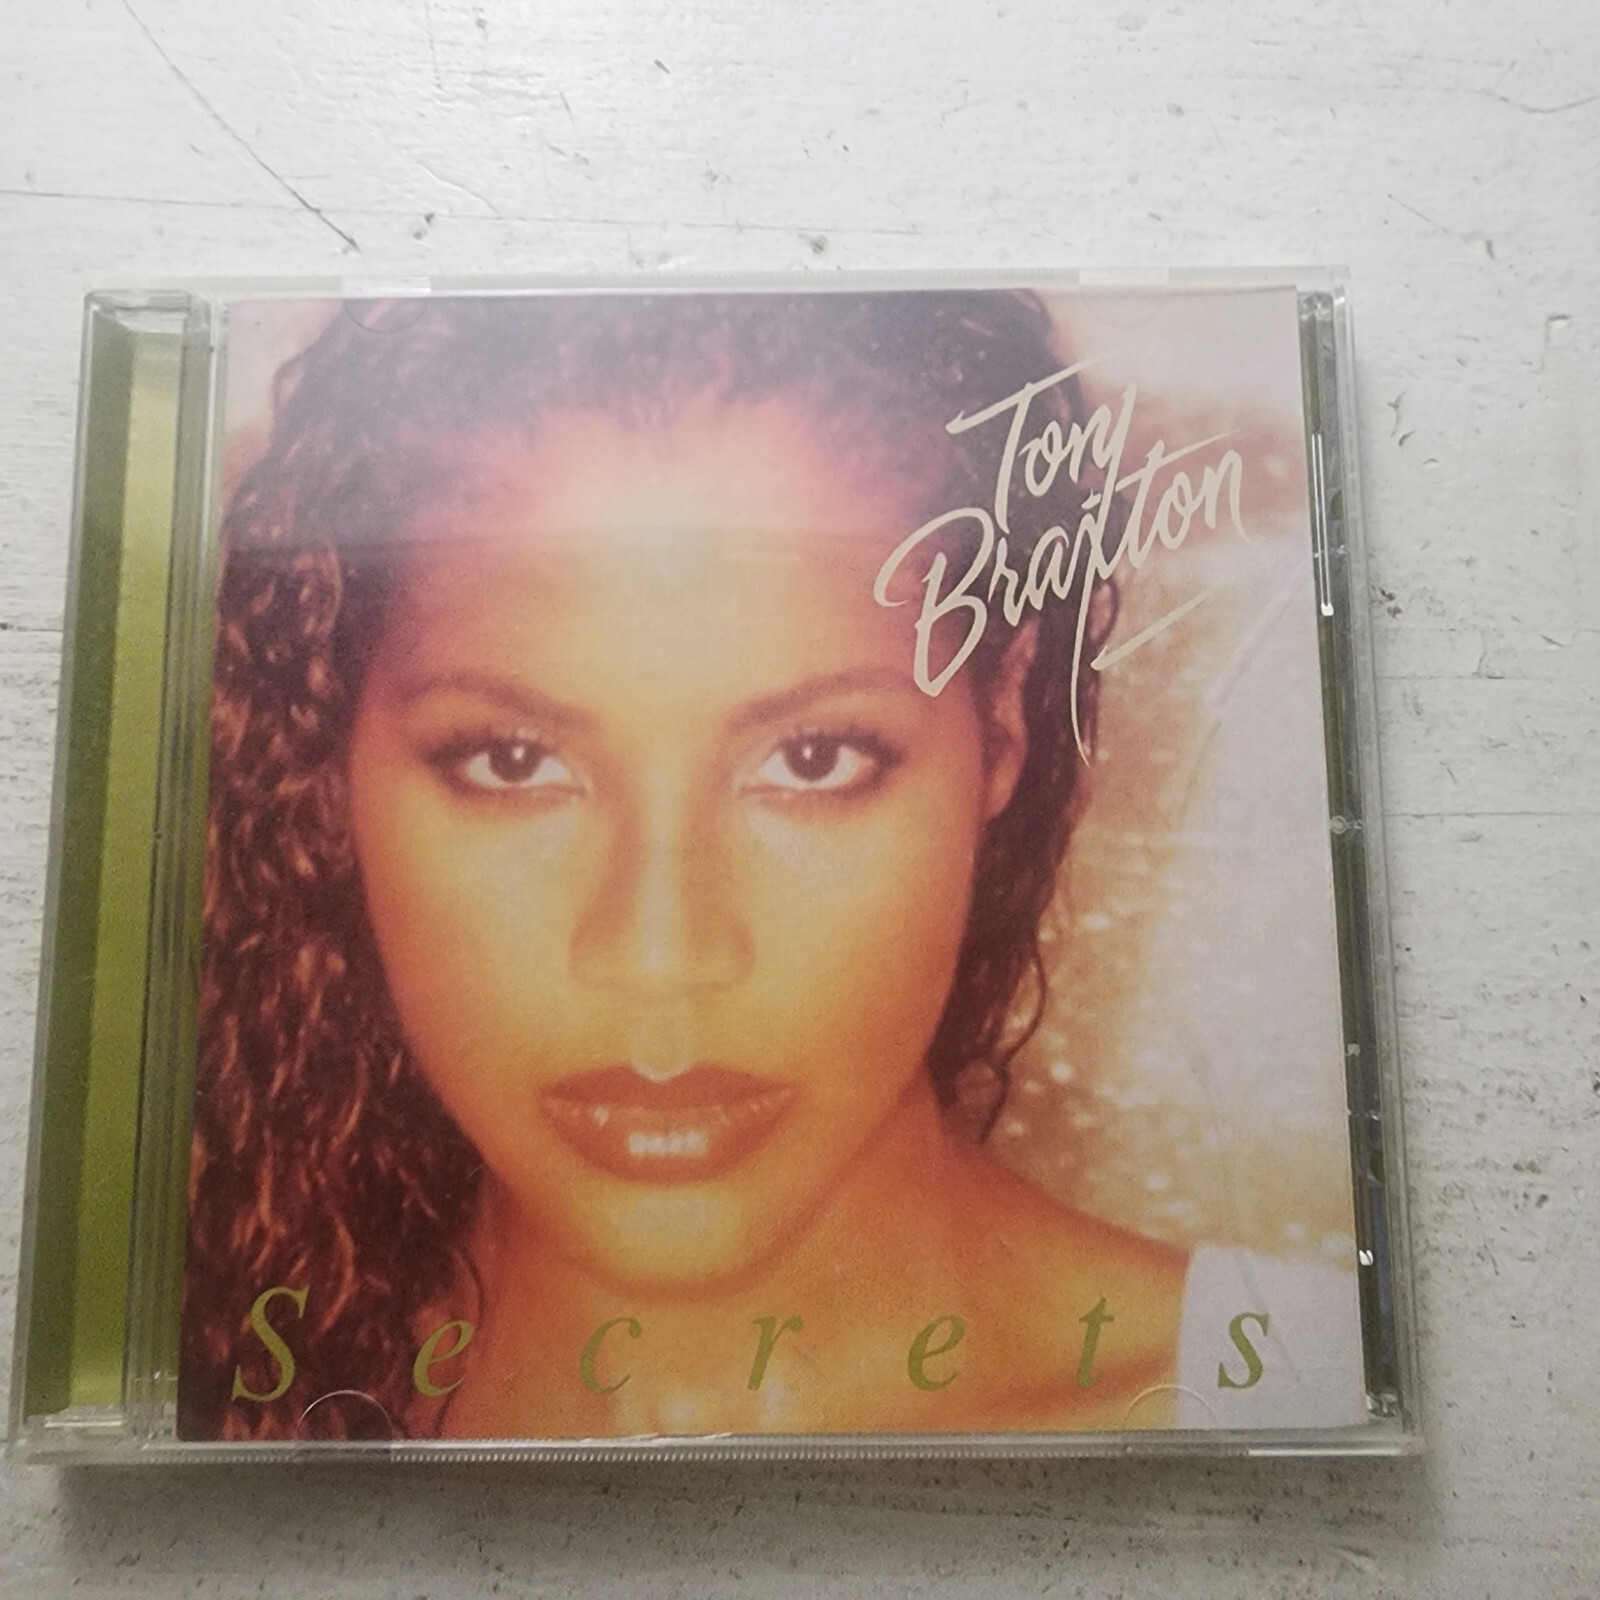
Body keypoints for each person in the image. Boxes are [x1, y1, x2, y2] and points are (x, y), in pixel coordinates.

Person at [179, 289, 1297, 1442]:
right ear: (331, 762)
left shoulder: (1299, 1399)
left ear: (1000, 723)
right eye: (511, 760)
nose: (660, 950)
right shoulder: (210, 1411)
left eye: (813, 758)